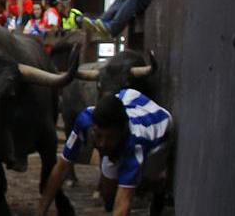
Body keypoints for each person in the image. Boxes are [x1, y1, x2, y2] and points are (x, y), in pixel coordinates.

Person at [38, 89, 173, 216]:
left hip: (159, 131)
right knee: (108, 196)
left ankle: (160, 192)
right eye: (98, 136)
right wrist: (40, 212)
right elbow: (61, 168)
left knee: (148, 180)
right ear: (93, 127)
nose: (102, 144)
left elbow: (122, 207)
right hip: (129, 100)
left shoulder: (135, 145)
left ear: (122, 133)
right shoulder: (85, 119)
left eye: (110, 137)